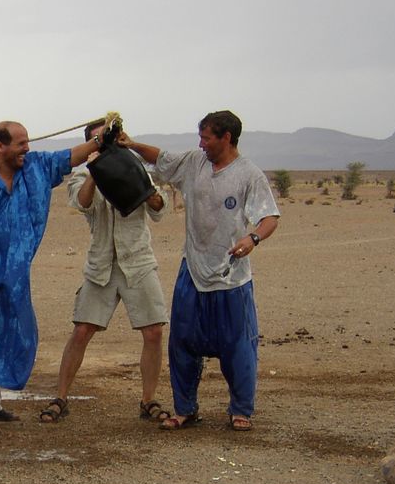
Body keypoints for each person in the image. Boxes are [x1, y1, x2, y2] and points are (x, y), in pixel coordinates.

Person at [119, 110, 280, 431]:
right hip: (192, 270)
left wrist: (253, 238)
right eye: (200, 136)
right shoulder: (195, 163)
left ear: (226, 138)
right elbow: (163, 159)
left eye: (207, 137)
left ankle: (241, 410)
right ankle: (185, 409)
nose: (201, 143)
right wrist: (130, 144)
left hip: (232, 276)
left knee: (238, 346)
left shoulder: (249, 175)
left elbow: (270, 217)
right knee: (183, 343)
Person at [0, 120, 104, 422]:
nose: (27, 148)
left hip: (13, 273)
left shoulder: (34, 168)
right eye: (20, 143)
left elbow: (67, 157)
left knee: (8, 333)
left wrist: (100, 141)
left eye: (28, 142)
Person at [40, 120, 171, 424]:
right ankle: (60, 396)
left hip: (137, 262)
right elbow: (82, 203)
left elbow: (158, 208)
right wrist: (99, 171)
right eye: (99, 139)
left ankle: (148, 399)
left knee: (153, 331)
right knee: (83, 330)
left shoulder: (134, 165)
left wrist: (145, 187)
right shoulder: (83, 174)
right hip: (101, 265)